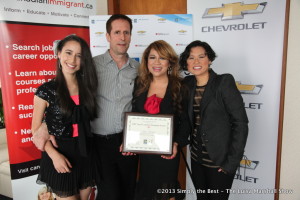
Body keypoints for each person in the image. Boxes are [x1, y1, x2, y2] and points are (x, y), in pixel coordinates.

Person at [179, 40, 248, 200]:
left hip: (219, 162)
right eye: (191, 58)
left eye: (201, 56)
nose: (196, 61)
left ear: (209, 60)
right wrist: (175, 142)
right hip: (197, 159)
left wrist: (231, 164)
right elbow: (186, 121)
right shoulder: (187, 84)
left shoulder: (224, 82)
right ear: (186, 63)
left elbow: (241, 124)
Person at [31, 35, 98, 200]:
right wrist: (54, 155)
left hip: (86, 152)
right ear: (59, 53)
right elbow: (35, 130)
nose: (73, 60)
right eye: (68, 52)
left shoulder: (88, 87)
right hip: (59, 153)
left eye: (79, 55)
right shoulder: (46, 90)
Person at [132, 40, 190, 200]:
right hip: (145, 153)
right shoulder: (140, 84)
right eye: (152, 57)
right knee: (146, 190)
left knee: (166, 193)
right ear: (146, 61)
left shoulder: (180, 86)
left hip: (168, 154)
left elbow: (185, 122)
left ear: (170, 62)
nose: (157, 63)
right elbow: (135, 114)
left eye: (162, 58)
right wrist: (128, 139)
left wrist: (177, 143)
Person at [90, 14, 139, 200]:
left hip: (128, 142)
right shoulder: (92, 66)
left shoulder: (138, 69)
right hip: (100, 143)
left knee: (128, 192)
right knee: (109, 194)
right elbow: (71, 96)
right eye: (117, 32)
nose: (122, 37)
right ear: (108, 36)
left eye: (126, 32)